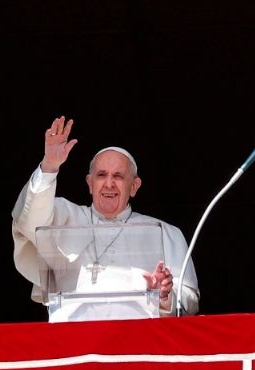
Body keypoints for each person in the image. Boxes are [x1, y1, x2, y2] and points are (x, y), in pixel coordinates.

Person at [12, 116, 199, 319]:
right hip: (73, 341)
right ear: (89, 183)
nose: (109, 184)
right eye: (101, 175)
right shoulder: (63, 217)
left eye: (118, 176)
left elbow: (189, 301)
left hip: (140, 343)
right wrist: (49, 166)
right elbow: (29, 220)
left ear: (134, 186)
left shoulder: (165, 233)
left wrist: (165, 295)